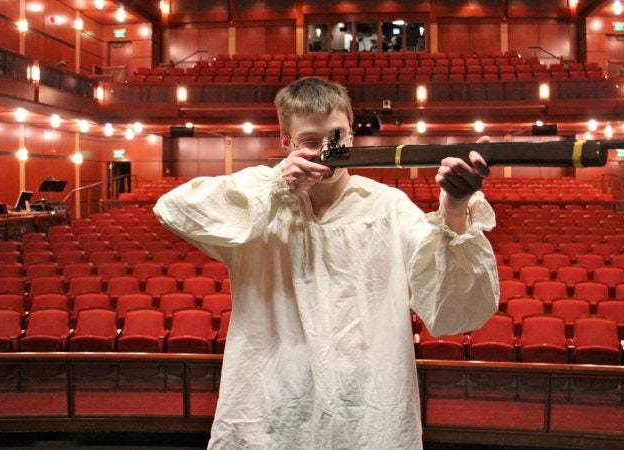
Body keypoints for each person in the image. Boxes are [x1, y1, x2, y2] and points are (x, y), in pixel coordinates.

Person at [154, 76, 499, 449]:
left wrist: (455, 208)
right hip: (272, 405)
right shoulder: (260, 198)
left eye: (336, 137)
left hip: (367, 408)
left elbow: (455, 303)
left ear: (350, 134)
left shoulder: (387, 206)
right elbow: (173, 209)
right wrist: (276, 187)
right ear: (286, 141)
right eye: (311, 141)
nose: (326, 151)